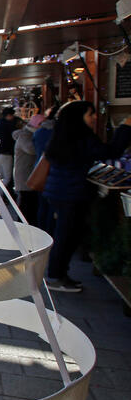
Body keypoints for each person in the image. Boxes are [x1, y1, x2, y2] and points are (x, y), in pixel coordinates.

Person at [42, 101, 131, 292]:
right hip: (69, 193)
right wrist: (125, 127)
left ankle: (57, 274)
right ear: (78, 117)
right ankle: (55, 276)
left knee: (65, 235)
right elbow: (110, 152)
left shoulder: (64, 136)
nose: (94, 118)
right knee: (66, 236)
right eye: (90, 114)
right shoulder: (79, 137)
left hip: (61, 191)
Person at [13, 114, 44, 224]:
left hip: (31, 176)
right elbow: (32, 149)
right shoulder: (25, 135)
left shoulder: (30, 134)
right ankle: (24, 231)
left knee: (31, 206)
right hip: (25, 177)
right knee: (25, 207)